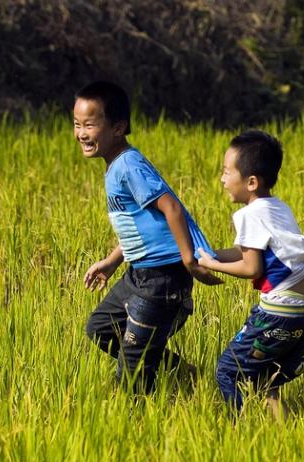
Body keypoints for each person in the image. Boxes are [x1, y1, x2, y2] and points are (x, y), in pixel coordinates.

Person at [75, 80, 222, 393]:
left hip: (162, 277)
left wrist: (189, 260)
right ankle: (183, 376)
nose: (82, 133)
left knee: (130, 376)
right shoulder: (116, 165)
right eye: (77, 125)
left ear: (118, 127)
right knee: (101, 328)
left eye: (90, 124)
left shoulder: (128, 165)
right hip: (138, 274)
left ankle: (136, 417)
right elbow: (143, 225)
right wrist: (112, 262)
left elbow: (172, 208)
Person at [198, 130, 304, 418]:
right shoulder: (278, 207)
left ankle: (240, 433)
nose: (222, 179)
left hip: (280, 312)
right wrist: (211, 254)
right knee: (264, 380)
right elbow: (247, 251)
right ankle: (290, 435)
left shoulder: (248, 215)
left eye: (227, 172)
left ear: (251, 182)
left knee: (229, 371)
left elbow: (252, 267)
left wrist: (212, 265)